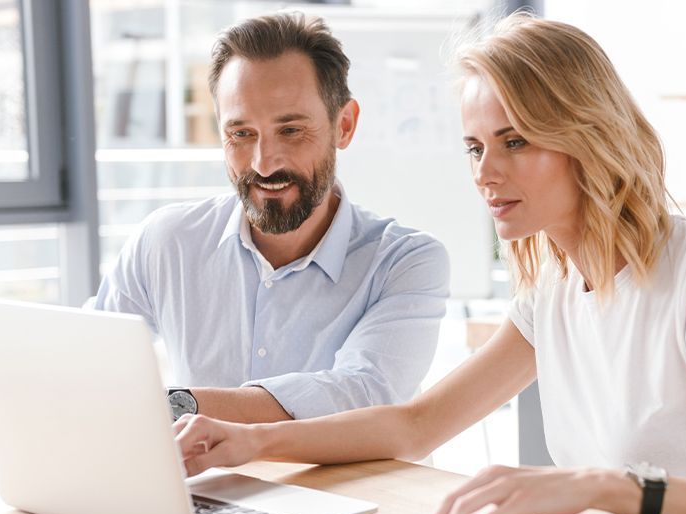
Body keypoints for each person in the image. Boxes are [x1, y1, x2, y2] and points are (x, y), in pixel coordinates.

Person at [174, 13, 686, 514]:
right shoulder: (552, 288)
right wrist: (250, 441)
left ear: (586, 135)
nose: (485, 172)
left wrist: (604, 489)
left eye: (516, 140)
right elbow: (417, 425)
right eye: (474, 146)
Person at [92, 13, 450, 423]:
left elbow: (364, 393)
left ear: (344, 125)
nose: (263, 165)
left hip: (343, 489)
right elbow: (92, 360)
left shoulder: (404, 262)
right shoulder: (167, 241)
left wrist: (179, 405)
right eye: (241, 134)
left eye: (291, 131)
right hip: (204, 488)